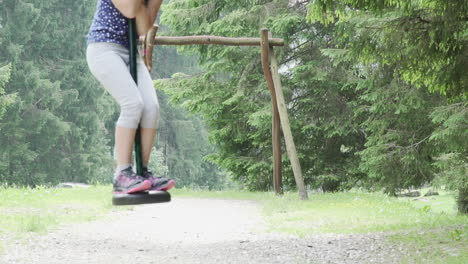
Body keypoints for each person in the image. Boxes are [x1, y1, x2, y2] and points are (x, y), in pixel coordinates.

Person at [86, 0, 175, 194]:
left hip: (130, 53)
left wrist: (145, 7)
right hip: (104, 48)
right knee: (133, 104)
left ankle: (142, 171)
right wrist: (142, 8)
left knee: (151, 108)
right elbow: (130, 9)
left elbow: (143, 28)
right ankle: (122, 173)